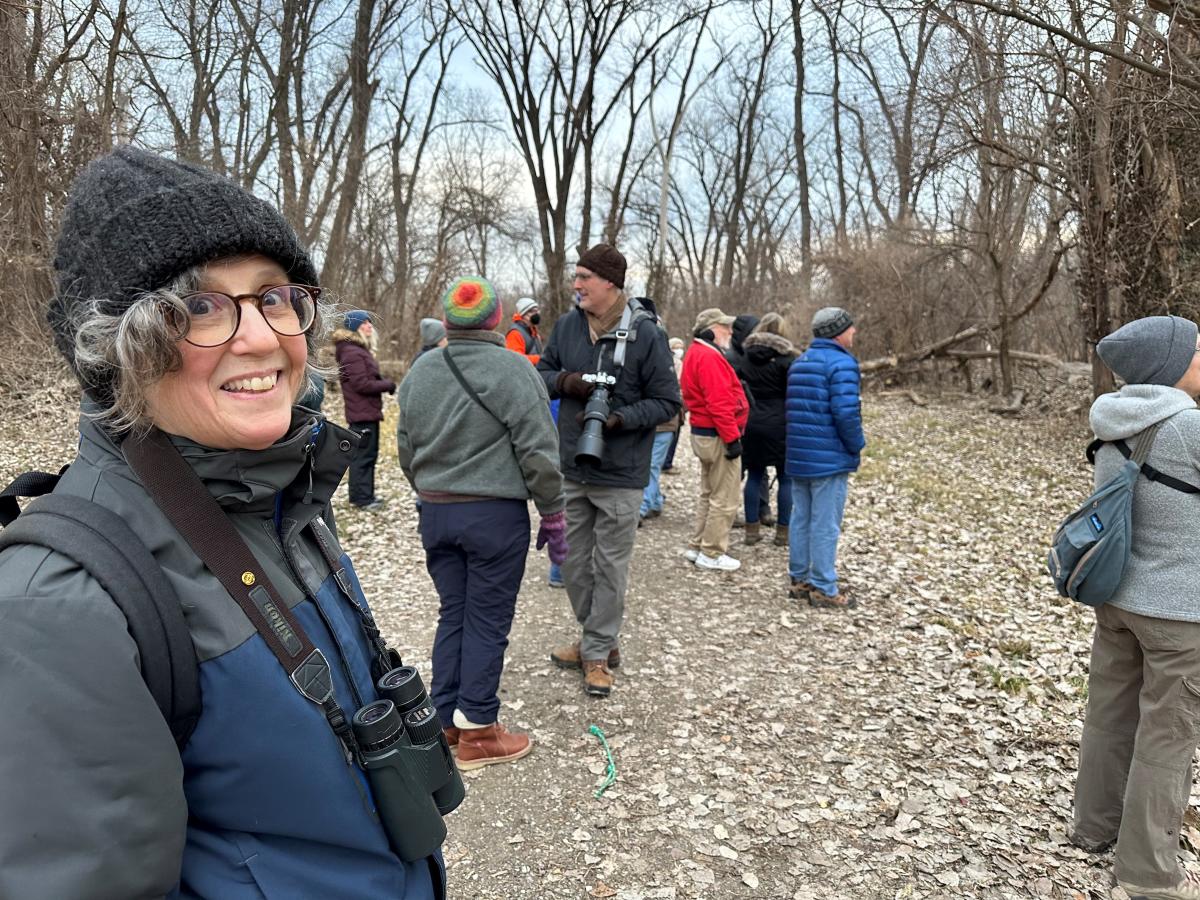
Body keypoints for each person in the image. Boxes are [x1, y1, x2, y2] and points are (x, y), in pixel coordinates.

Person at [0, 146, 445, 898]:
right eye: (201, 307)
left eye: (274, 296)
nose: (263, 336)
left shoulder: (282, 494)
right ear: (119, 349)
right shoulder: (58, 605)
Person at [397, 276, 566, 770]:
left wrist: (428, 488)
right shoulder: (513, 370)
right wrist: (553, 512)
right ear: (495, 319)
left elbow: (406, 449)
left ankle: (443, 720)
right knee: (487, 619)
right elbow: (538, 450)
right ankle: (479, 730)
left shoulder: (421, 372)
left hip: (436, 511)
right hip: (493, 514)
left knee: (454, 612)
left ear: (448, 321)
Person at [1071, 315, 1200, 900]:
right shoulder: (1187, 429)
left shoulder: (1113, 418)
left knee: (1110, 716)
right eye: (1197, 350)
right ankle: (1148, 875)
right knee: (1166, 736)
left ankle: (1094, 828)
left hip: (1117, 597)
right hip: (1178, 613)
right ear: (1171, 366)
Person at [537, 243, 681, 697]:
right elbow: (540, 375)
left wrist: (620, 419)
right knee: (572, 564)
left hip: (622, 471)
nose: (576, 285)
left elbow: (667, 402)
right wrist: (566, 381)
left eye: (584, 278)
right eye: (576, 278)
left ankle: (596, 649)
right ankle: (597, 637)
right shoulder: (566, 327)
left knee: (610, 567)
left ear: (611, 284)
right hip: (571, 465)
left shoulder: (647, 335)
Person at [785, 307, 864, 608]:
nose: (854, 332)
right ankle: (823, 586)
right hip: (828, 457)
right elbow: (846, 413)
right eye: (850, 328)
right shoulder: (842, 364)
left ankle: (800, 578)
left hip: (800, 455)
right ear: (838, 332)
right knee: (825, 523)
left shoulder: (800, 362)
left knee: (802, 518)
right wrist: (856, 444)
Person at [680, 308, 749, 572]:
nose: (730, 332)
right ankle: (712, 551)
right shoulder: (709, 356)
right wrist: (732, 438)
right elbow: (719, 403)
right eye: (724, 327)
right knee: (725, 497)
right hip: (717, 435)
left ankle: (698, 546)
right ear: (710, 329)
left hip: (704, 433)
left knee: (708, 493)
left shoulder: (696, 353)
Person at [736, 313, 798, 547]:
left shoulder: (744, 358)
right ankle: (783, 532)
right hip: (781, 422)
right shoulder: (788, 361)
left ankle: (752, 530)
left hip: (751, 422)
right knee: (785, 478)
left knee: (754, 475)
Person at [334, 309, 396, 509]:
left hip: (367, 412)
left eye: (370, 322)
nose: (370, 326)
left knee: (368, 456)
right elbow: (361, 384)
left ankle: (365, 496)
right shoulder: (352, 352)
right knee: (363, 457)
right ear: (354, 328)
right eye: (364, 323)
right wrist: (387, 384)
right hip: (362, 414)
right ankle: (362, 499)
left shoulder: (357, 350)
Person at [662, 336, 686, 474]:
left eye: (680, 347)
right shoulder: (673, 362)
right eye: (676, 347)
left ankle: (666, 461)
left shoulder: (679, 362)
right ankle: (666, 462)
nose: (679, 350)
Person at [505, 296, 543, 364]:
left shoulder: (534, 332)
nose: (536, 314)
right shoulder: (515, 333)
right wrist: (539, 359)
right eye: (532, 312)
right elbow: (516, 360)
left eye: (537, 311)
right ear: (523, 314)